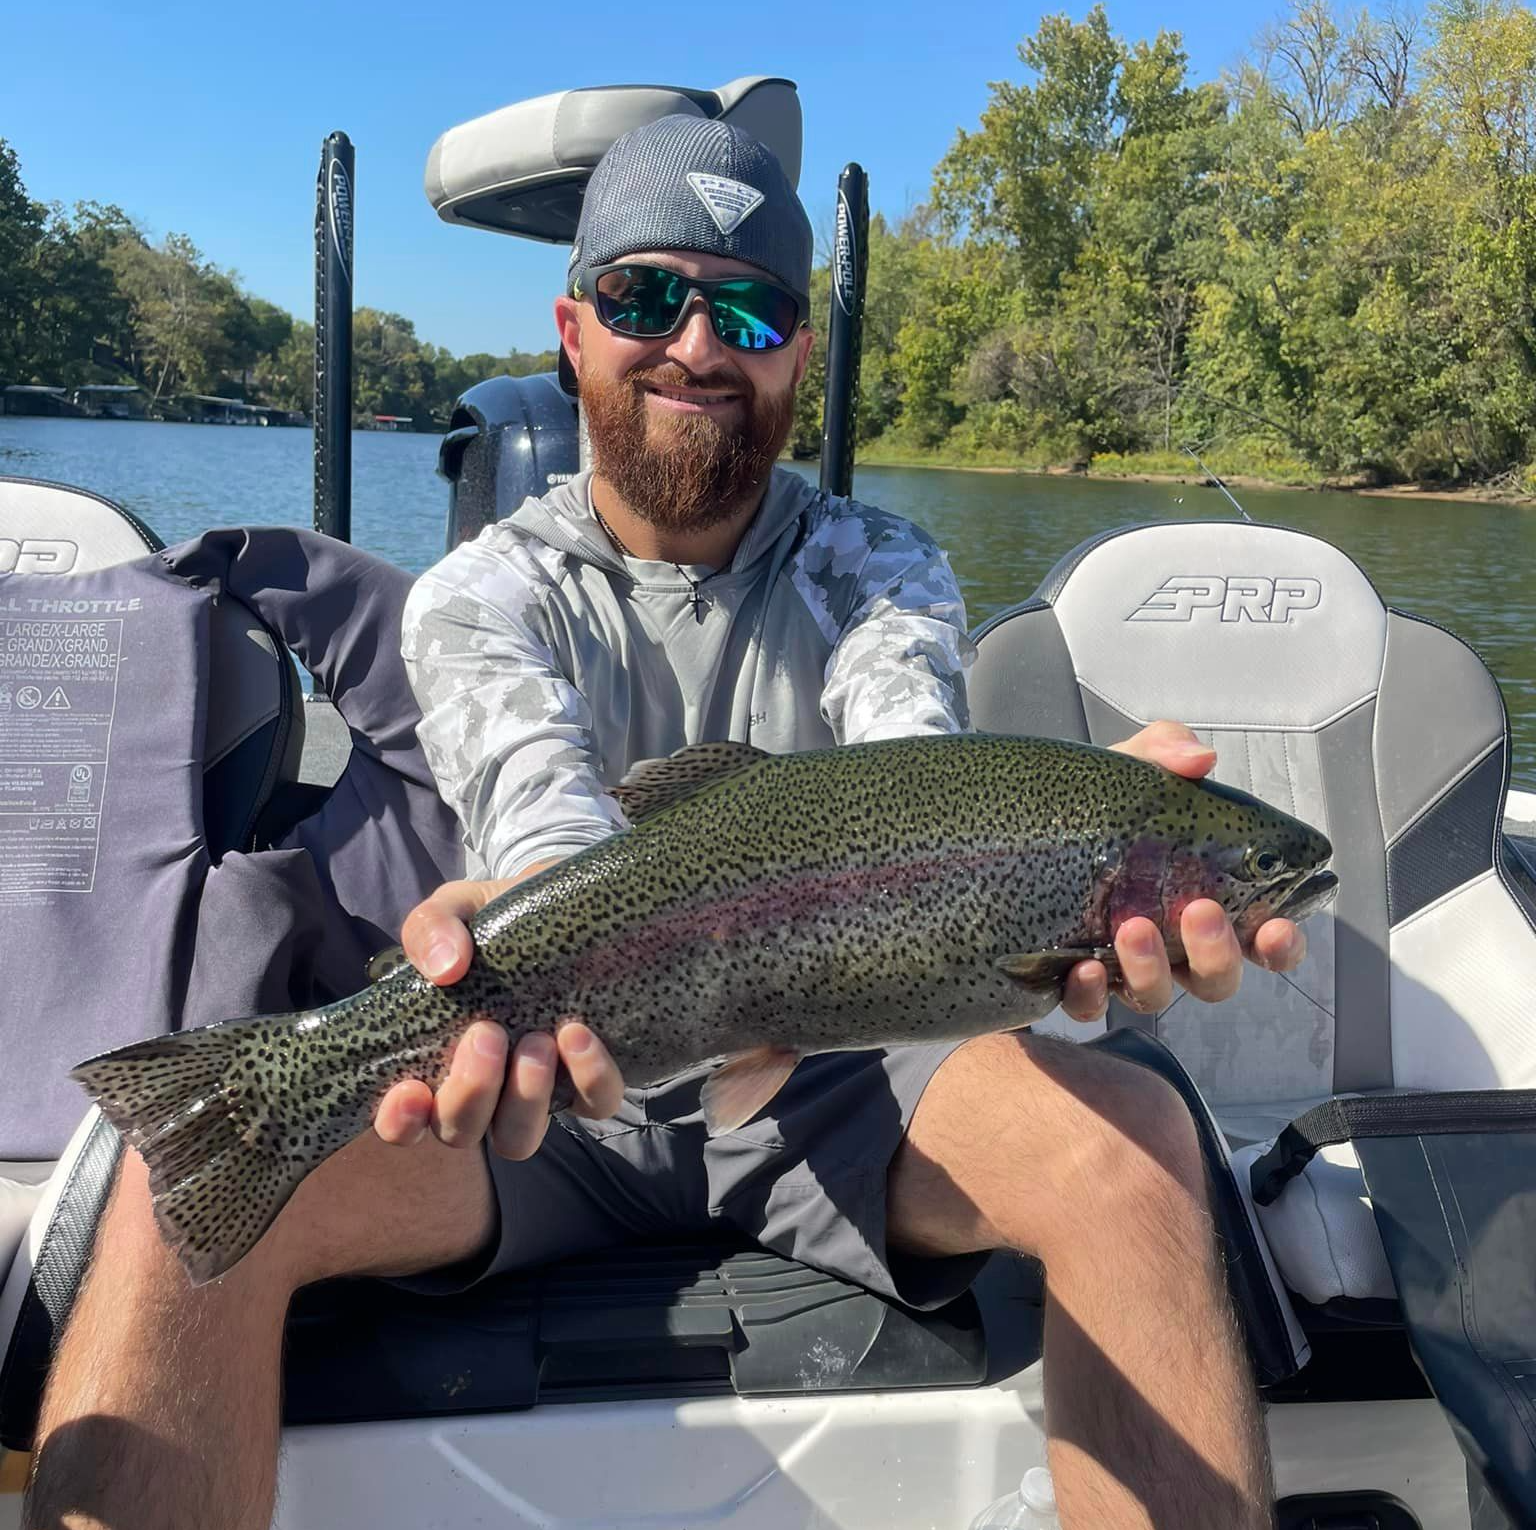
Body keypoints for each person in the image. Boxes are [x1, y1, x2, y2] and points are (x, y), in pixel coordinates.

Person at [25, 116, 1305, 1530]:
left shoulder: (876, 568)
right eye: (646, 298)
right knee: (177, 1182)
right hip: (540, 1087)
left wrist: (1072, 860)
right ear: (574, 330)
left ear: (797, 355)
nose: (698, 343)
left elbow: (912, 787)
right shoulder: (478, 594)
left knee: (1137, 1142)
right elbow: (548, 827)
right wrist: (486, 936)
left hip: (844, 1066)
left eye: (749, 307)